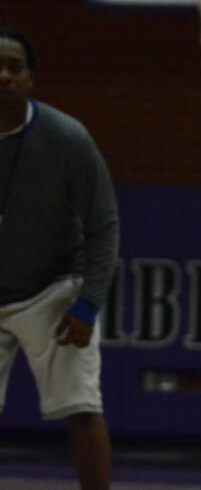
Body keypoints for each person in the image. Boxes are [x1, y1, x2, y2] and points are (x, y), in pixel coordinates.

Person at [0, 29, 119, 490]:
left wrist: (87, 302)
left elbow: (104, 224)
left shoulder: (67, 137)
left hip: (53, 290)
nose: (4, 76)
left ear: (30, 79)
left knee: (82, 408)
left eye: (15, 67)